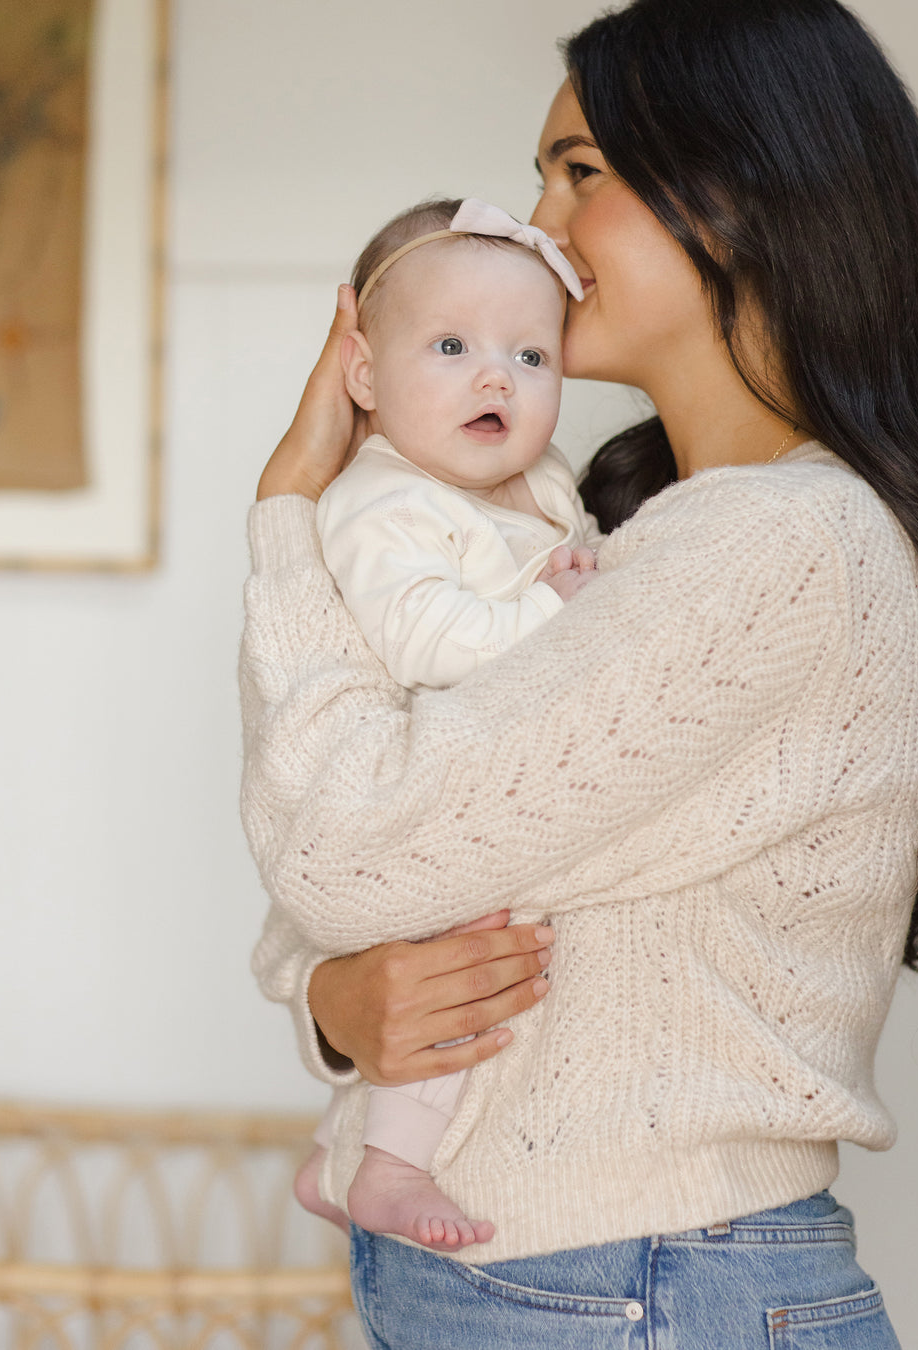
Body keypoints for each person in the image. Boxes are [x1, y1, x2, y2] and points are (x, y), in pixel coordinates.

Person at [239, 1, 918, 1344]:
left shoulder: (776, 548)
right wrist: (328, 996)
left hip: (633, 1284)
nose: (536, 222)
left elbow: (343, 847)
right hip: (594, 1277)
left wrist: (287, 510)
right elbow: (428, 850)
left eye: (577, 172)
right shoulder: (632, 535)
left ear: (740, 198)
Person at [299, 195, 600, 1250]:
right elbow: (426, 638)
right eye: (453, 346)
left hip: (491, 779)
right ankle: (385, 1167)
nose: (496, 379)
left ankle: (340, 1152)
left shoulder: (533, 481)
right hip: (423, 809)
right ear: (365, 379)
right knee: (463, 970)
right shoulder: (383, 502)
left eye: (531, 355)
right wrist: (553, 608)